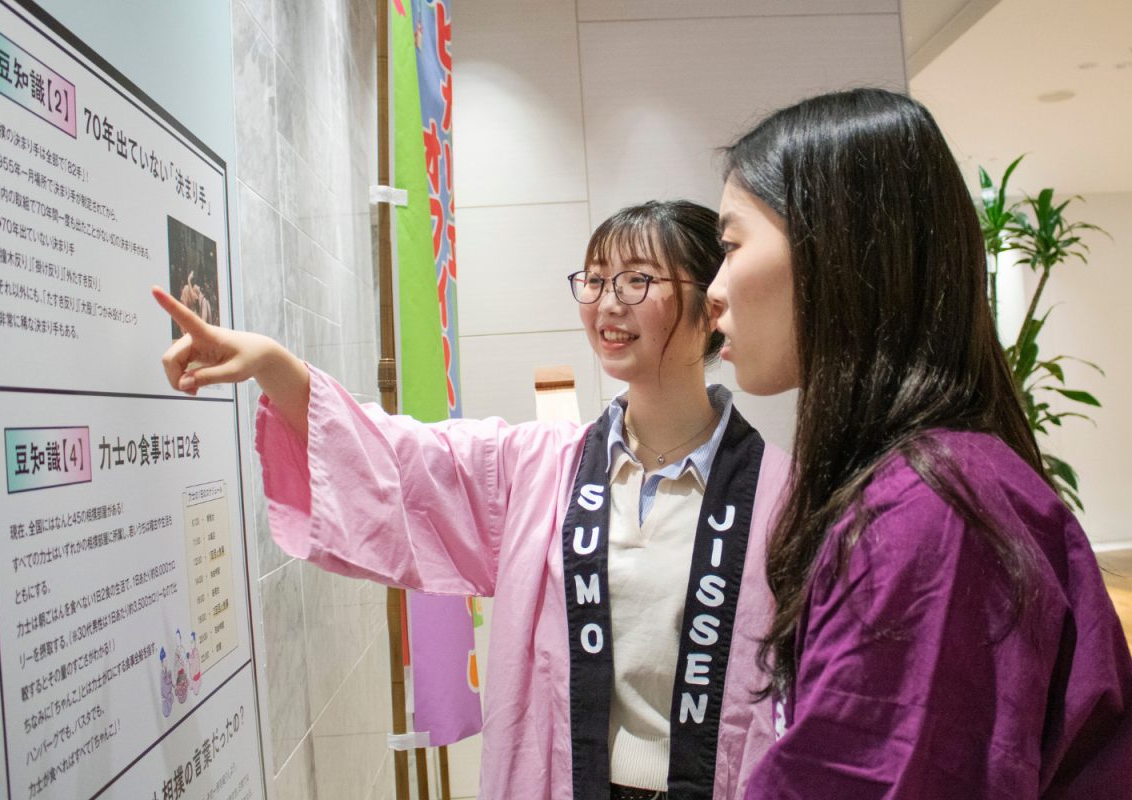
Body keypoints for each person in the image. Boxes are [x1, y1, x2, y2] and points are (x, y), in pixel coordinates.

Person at [154, 200, 790, 800]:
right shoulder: (539, 466)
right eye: (595, 280)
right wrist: (272, 364)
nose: (606, 303)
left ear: (709, 307)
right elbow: (399, 458)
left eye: (636, 281)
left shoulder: (782, 495)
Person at [704, 87, 1132, 798]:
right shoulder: (924, 484)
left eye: (730, 246)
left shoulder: (928, 512)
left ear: (833, 246)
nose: (714, 290)